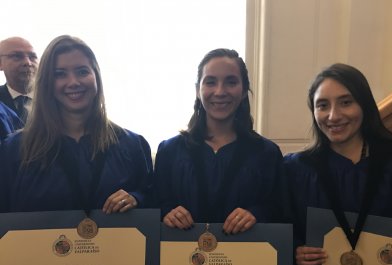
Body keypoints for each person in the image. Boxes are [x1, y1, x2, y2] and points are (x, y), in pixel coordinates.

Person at [281, 63, 392, 265]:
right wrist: (296, 250)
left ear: (364, 105)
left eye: (346, 102)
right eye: (322, 105)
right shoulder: (297, 169)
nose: (333, 116)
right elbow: (284, 223)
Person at [0, 35, 153, 213]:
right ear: (46, 83)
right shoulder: (14, 150)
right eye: (60, 74)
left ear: (96, 76)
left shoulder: (132, 145)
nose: (73, 82)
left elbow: (152, 199)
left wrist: (136, 199)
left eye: (82, 71)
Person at [154, 48, 282, 234]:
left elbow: (280, 210)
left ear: (244, 90)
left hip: (247, 260)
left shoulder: (267, 154)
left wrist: (257, 214)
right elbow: (156, 203)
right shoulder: (170, 151)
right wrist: (167, 213)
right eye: (211, 82)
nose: (220, 91)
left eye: (231, 82)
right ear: (198, 90)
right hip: (182, 260)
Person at [0, 37, 38, 122]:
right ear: (0, 63)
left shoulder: (55, 97)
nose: (28, 62)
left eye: (32, 57)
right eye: (17, 56)